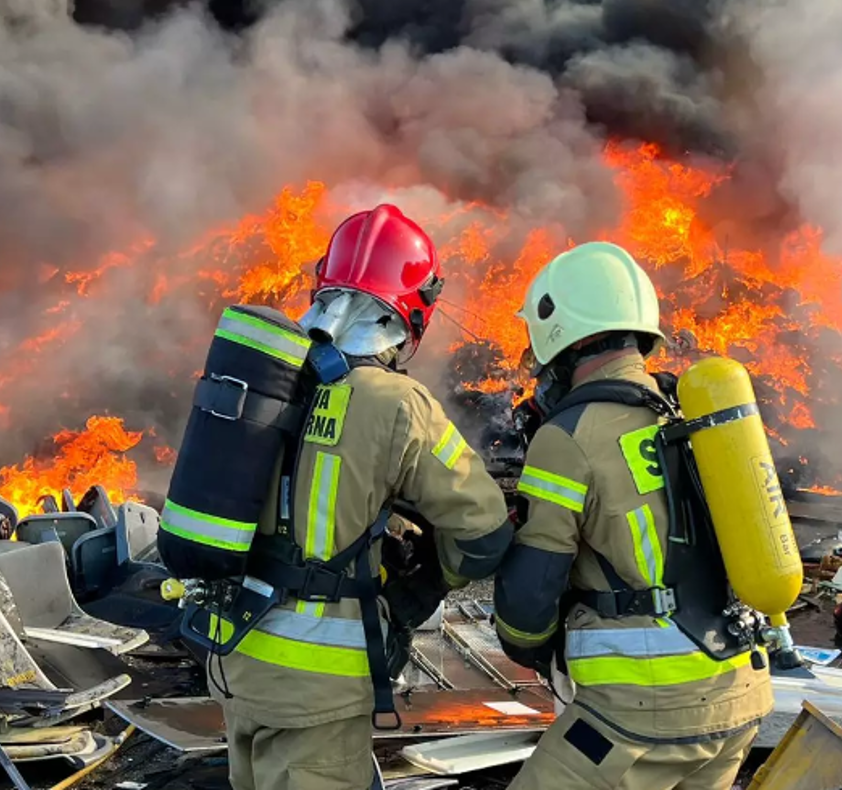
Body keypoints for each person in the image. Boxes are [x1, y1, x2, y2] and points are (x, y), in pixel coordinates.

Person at [217, 204, 513, 790]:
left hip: (236, 658)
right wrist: (419, 588)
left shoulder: (266, 378)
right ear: (412, 310)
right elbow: (484, 531)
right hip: (319, 683)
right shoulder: (396, 402)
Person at [492, 241, 773, 790]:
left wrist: (531, 645)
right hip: (742, 691)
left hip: (639, 712)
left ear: (560, 338)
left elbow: (528, 601)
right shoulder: (690, 413)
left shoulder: (568, 437)